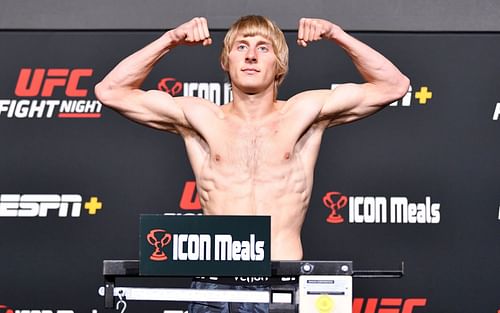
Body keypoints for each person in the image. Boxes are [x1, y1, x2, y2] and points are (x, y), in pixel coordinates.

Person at [95, 15, 409, 312]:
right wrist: (170, 39)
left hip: (282, 281)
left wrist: (337, 35)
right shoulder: (200, 118)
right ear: (226, 60)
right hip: (213, 284)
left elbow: (393, 86)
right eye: (241, 47)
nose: (251, 56)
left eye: (263, 48)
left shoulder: (304, 114)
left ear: (279, 65)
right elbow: (110, 91)